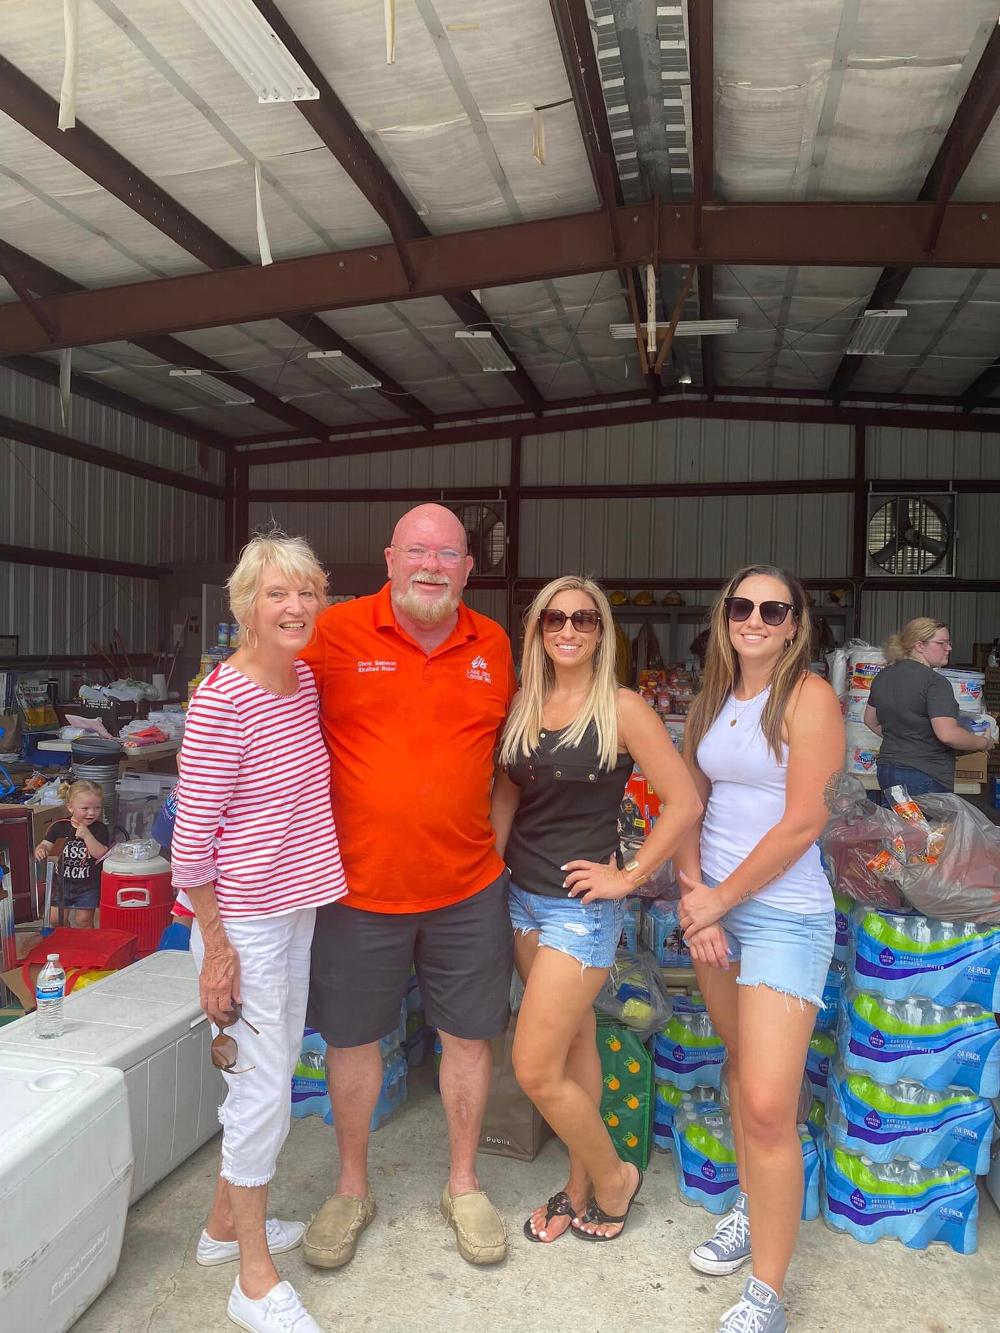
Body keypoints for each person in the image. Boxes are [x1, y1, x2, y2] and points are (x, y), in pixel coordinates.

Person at [302, 503, 517, 1271]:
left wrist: (487, 850)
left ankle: (462, 1182)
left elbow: (507, 760)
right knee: (353, 1038)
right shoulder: (334, 632)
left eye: (448, 553)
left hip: (467, 889)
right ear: (390, 558)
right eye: (418, 550)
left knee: (468, 1036)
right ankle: (352, 1186)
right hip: (357, 888)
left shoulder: (492, 642)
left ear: (467, 569)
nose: (432, 564)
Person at [491, 576, 701, 1244]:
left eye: (584, 619)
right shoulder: (524, 701)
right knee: (573, 1043)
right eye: (555, 618)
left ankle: (613, 1177)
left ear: (601, 631)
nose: (569, 630)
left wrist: (630, 875)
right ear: (539, 629)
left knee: (532, 1067)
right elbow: (506, 793)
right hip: (520, 898)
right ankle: (576, 1187)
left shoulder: (623, 706)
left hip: (578, 912)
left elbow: (684, 801)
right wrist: (491, 866)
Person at [171, 532, 346, 1333]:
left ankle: (219, 1229)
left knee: (262, 1083)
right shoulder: (223, 698)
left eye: (306, 591)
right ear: (245, 605)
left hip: (293, 906)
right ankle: (252, 1277)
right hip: (242, 922)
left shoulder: (302, 681)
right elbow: (190, 840)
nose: (295, 606)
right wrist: (216, 945)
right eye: (276, 593)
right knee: (263, 1093)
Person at [673, 565, 845, 1333]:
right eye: (742, 605)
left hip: (784, 917)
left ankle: (768, 1292)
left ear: (794, 623)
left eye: (771, 608)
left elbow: (804, 822)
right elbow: (686, 804)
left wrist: (720, 897)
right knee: (744, 1071)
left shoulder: (810, 698)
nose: (754, 617)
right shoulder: (713, 696)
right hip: (716, 914)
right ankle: (751, 1204)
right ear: (725, 616)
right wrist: (693, 899)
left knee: (772, 1103)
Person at [864, 618, 993, 799]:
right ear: (919, 646)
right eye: (941, 643)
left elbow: (869, 720)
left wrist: (906, 740)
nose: (949, 648)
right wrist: (983, 743)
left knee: (898, 826)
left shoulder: (883, 676)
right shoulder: (934, 682)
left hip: (887, 770)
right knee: (927, 828)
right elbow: (947, 734)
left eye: (948, 642)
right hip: (925, 773)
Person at [34, 779, 109, 929]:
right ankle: (67, 940)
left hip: (88, 884)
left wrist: (87, 836)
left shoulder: (100, 829)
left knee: (83, 921)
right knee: (56, 920)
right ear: (70, 807)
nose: (92, 813)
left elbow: (101, 854)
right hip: (61, 883)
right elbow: (46, 844)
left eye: (97, 808)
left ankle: (87, 947)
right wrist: (41, 849)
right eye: (85, 808)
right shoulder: (58, 826)